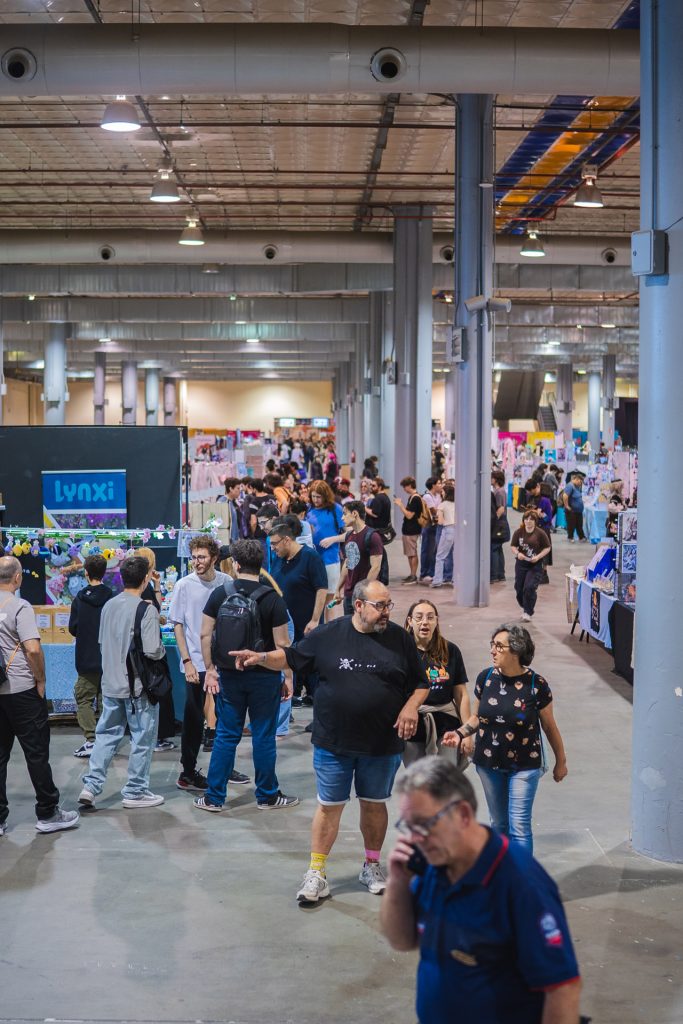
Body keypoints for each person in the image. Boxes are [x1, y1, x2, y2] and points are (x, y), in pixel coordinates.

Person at [230, 578, 430, 905]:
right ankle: (317, 872)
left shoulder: (399, 639)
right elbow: (291, 657)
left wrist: (410, 707)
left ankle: (371, 866)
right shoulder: (328, 635)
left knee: (374, 803)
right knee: (329, 806)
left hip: (381, 743)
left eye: (388, 605)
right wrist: (261, 657)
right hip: (334, 742)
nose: (386, 612)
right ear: (359, 605)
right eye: (380, 606)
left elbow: (421, 683)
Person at [381, 758, 582, 1024]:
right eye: (408, 826)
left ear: (463, 814)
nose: (415, 838)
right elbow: (402, 941)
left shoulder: (521, 883)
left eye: (425, 824)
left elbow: (563, 987)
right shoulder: (431, 863)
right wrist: (397, 881)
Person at [445, 623, 567, 853]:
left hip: (525, 766)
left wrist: (561, 761)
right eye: (492, 645)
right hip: (488, 763)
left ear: (517, 650)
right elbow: (477, 717)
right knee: (499, 824)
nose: (493, 651)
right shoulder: (486, 678)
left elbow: (549, 727)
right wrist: (460, 733)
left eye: (499, 646)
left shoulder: (536, 685)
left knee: (519, 826)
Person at [195, 540, 298, 812]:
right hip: (265, 676)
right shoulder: (273, 599)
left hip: (229, 675)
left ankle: (214, 798)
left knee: (226, 735)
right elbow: (283, 646)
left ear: (236, 564)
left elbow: (205, 634)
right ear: (261, 565)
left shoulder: (220, 594)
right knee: (264, 735)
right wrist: (287, 677)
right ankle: (267, 796)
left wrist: (210, 670)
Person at [78, 556, 167, 810]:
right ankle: (135, 791)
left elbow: (101, 642)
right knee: (142, 737)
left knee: (106, 735)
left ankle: (90, 786)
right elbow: (152, 650)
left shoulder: (109, 605)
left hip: (110, 682)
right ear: (146, 578)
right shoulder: (146, 609)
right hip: (137, 687)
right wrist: (162, 652)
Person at [0, 555, 79, 835]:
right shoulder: (19, 607)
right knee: (36, 753)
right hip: (21, 690)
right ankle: (47, 812)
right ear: (17, 577)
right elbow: (33, 649)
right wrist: (41, 679)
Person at [168, 536, 250, 792]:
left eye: (201, 557)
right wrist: (187, 661)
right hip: (195, 662)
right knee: (193, 719)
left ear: (214, 558)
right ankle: (188, 772)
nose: (197, 562)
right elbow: (178, 625)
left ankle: (225, 766)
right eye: (194, 557)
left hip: (223, 663)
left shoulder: (226, 583)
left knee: (228, 718)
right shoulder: (184, 585)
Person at [402, 601, 470, 766]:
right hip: (412, 724)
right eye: (419, 617)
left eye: (430, 617)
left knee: (445, 776)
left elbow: (461, 694)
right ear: (410, 621)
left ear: (436, 621)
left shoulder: (450, 650)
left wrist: (466, 732)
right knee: (417, 777)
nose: (425, 622)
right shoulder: (401, 651)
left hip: (447, 724)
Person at [68, 553, 113, 758]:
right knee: (106, 701)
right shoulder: (111, 597)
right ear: (104, 572)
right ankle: (105, 741)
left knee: (83, 699)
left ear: (86, 572)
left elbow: (73, 628)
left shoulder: (79, 598)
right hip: (108, 658)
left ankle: (91, 740)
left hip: (85, 658)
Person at [135, 546, 177, 753]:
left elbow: (157, 610)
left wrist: (158, 585)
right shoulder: (141, 589)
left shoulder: (144, 586)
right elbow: (155, 613)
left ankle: (154, 736)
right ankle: (156, 737)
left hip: (146, 645)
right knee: (157, 691)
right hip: (150, 649)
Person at [333, 500, 384, 615]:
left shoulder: (373, 536)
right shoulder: (349, 536)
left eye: (345, 514)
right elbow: (347, 564)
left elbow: (376, 567)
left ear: (355, 514)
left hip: (364, 597)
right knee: (349, 624)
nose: (342, 518)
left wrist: (364, 593)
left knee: (364, 624)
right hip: (349, 594)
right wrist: (338, 588)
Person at [305, 480, 345, 615]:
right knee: (314, 599)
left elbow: (350, 533)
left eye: (319, 497)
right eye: (313, 496)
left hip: (330, 560)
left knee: (329, 600)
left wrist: (333, 539)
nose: (315, 500)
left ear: (325, 495)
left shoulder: (336, 509)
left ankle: (330, 627)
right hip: (312, 560)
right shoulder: (309, 509)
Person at [510, 510, 551, 622]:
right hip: (521, 564)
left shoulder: (540, 533)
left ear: (535, 521)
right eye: (526, 519)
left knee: (529, 588)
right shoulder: (519, 532)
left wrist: (538, 557)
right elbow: (513, 546)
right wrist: (518, 553)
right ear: (523, 520)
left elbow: (547, 547)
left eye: (531, 519)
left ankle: (528, 611)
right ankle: (525, 606)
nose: (528, 521)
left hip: (535, 565)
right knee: (519, 588)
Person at [394, 476, 424, 584]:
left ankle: (413, 575)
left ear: (410, 486)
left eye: (405, 486)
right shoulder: (412, 497)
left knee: (412, 553)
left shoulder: (415, 498)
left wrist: (400, 505)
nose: (404, 489)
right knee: (410, 553)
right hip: (408, 529)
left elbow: (409, 515)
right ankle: (412, 574)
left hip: (412, 529)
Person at [430, 482, 455, 589]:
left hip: (448, 530)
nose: (442, 493)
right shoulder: (457, 504)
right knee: (456, 556)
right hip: (458, 531)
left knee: (440, 556)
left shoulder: (442, 505)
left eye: (443, 492)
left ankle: (437, 581)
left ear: (446, 493)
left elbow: (440, 522)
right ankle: (455, 579)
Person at [419, 477, 443, 583]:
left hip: (436, 525)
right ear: (433, 485)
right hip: (429, 526)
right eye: (439, 483)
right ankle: (424, 573)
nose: (441, 485)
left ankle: (431, 572)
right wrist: (441, 510)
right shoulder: (427, 496)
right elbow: (434, 511)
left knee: (434, 551)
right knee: (427, 550)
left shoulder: (438, 495)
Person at [490, 469, 510, 583]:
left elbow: (501, 509)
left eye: (492, 477)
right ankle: (500, 574)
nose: (490, 479)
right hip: (501, 523)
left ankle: (494, 575)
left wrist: (493, 521)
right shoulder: (500, 491)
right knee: (498, 548)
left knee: (494, 548)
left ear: (496, 479)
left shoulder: (499, 492)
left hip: (499, 523)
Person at [365, 476, 394, 543]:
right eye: (371, 485)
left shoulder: (378, 498)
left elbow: (375, 514)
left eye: (373, 486)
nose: (371, 487)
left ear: (380, 487)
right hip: (380, 530)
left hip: (377, 531)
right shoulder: (384, 496)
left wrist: (364, 508)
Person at [563, 471, 587, 543]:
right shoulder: (570, 486)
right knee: (571, 525)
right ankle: (570, 537)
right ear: (577, 479)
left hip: (578, 511)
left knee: (579, 524)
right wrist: (566, 506)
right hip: (572, 510)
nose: (581, 484)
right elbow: (565, 496)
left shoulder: (577, 487)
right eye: (580, 482)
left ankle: (581, 537)